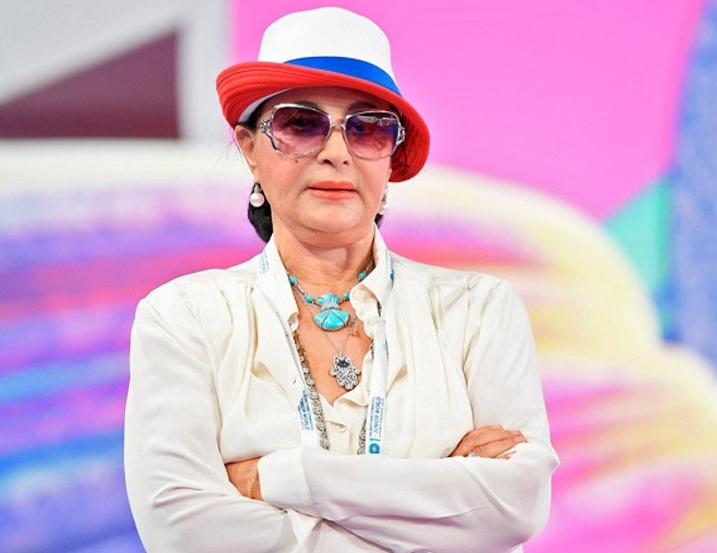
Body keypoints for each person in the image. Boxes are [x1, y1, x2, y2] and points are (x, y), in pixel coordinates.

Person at [124, 7, 558, 553]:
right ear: (250, 149)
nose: (335, 153)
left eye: (367, 128)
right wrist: (439, 504)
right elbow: (180, 530)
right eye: (300, 124)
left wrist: (280, 479)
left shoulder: (478, 310)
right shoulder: (184, 317)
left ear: (391, 157)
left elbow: (516, 505)